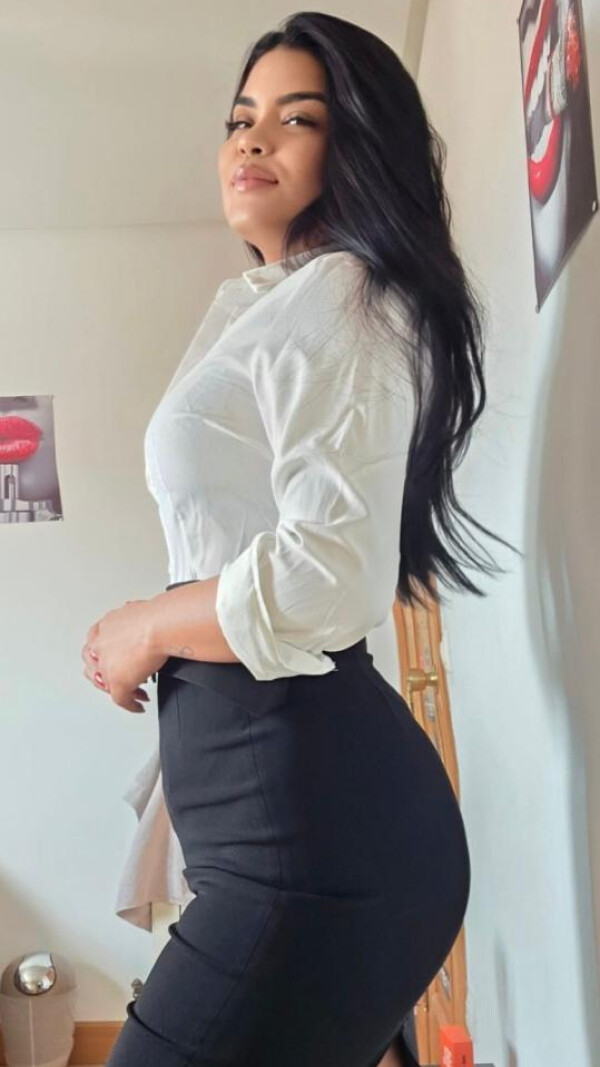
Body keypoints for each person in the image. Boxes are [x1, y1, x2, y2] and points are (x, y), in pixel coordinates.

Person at [85, 12, 519, 1066]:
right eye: (241, 118)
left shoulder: (347, 292)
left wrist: (148, 625)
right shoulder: (269, 303)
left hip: (314, 846)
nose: (251, 138)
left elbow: (329, 573)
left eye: (297, 118)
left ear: (354, 145)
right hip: (280, 824)